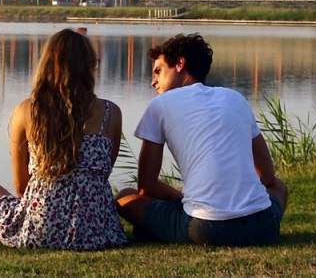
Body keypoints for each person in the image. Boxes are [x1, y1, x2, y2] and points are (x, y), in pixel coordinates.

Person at [116, 33, 287, 246]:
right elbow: (268, 177)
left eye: (158, 71)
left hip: (206, 228)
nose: (153, 82)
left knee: (125, 197)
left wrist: (182, 196)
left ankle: (157, 230)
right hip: (263, 226)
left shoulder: (160, 105)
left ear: (180, 64)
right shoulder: (235, 98)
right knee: (279, 187)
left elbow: (146, 187)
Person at [0, 28, 127, 250]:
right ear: (90, 66)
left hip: (40, 231)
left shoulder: (27, 111)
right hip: (99, 232)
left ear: (47, 63)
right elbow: (102, 173)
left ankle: (0, 224)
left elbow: (21, 186)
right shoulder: (111, 113)